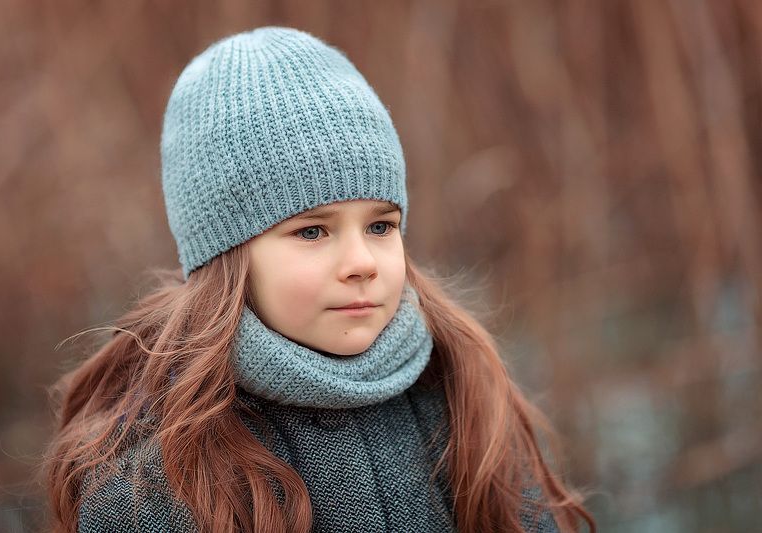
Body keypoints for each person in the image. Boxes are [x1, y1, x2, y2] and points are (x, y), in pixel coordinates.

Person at [43, 25, 596, 533]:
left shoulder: (464, 393)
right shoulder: (153, 480)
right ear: (226, 259)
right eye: (312, 232)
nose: (363, 262)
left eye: (381, 225)